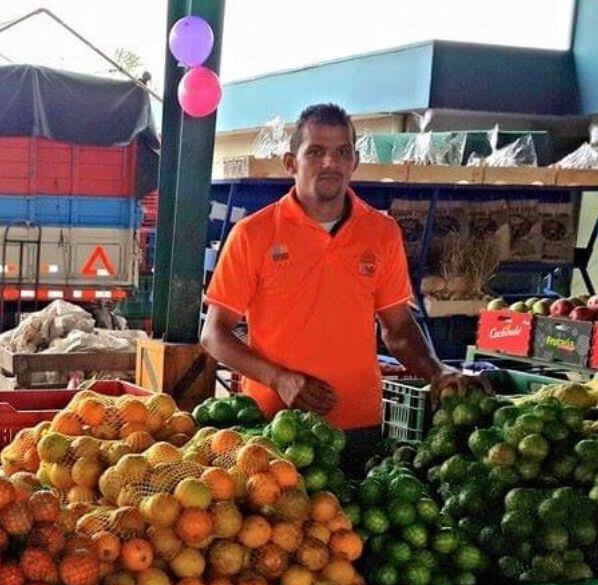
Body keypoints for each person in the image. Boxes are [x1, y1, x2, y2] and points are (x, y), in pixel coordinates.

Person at [200, 102, 476, 465]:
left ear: (355, 161)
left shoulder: (382, 232)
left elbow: (398, 329)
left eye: (342, 152)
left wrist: (438, 371)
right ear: (290, 162)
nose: (330, 163)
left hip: (358, 426)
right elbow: (214, 335)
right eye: (316, 152)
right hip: (275, 428)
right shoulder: (253, 234)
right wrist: (280, 379)